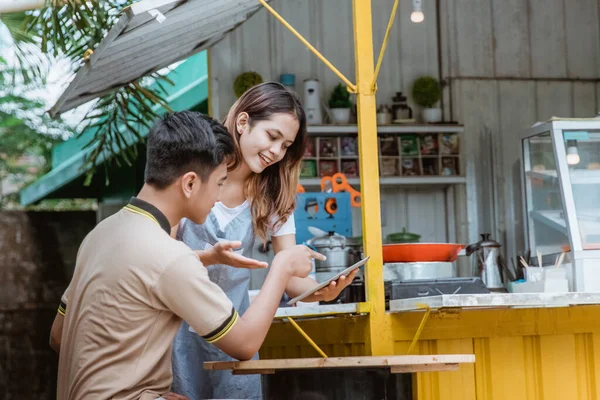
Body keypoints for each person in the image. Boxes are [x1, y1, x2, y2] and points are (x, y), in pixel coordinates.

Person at [48, 111, 324, 400]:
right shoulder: (171, 257)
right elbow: (243, 344)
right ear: (190, 183)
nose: (219, 197)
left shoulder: (101, 235)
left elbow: (58, 337)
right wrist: (281, 266)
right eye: (219, 183)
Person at [171, 82, 358, 399]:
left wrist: (322, 292)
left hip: (234, 335)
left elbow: (293, 284)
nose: (276, 151)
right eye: (272, 137)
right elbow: (158, 259)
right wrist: (211, 257)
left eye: (286, 145)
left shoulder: (273, 195)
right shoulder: (191, 174)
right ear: (243, 123)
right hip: (176, 335)